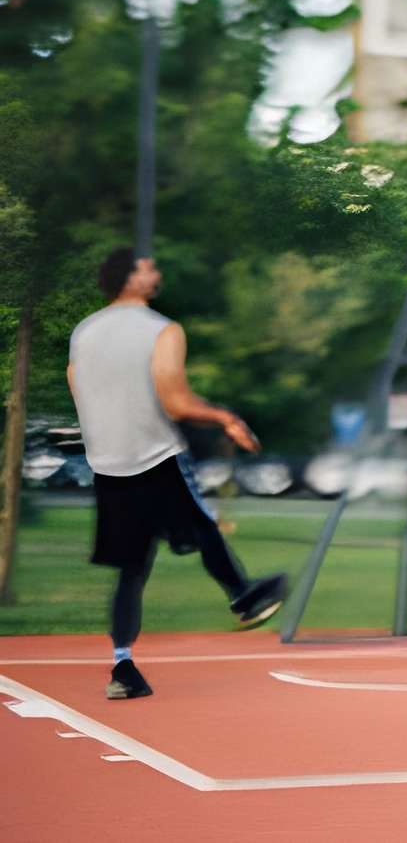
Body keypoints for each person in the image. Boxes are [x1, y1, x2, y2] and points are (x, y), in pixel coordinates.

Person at [69, 248, 288, 700]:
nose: (156, 273)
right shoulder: (161, 330)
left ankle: (122, 668)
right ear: (129, 278)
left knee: (132, 570)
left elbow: (77, 383)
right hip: (154, 454)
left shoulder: (84, 332)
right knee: (203, 528)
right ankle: (243, 598)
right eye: (148, 267)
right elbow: (176, 403)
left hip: (108, 463)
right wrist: (225, 418)